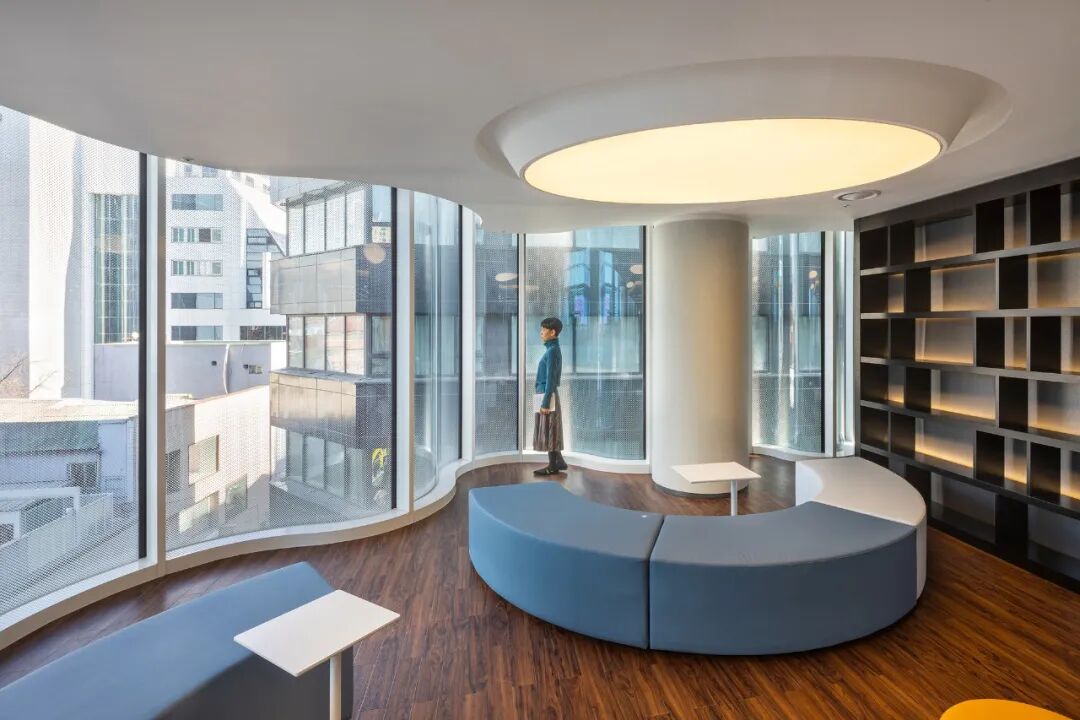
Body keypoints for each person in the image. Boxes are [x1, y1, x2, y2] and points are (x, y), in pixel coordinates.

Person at [533, 317, 567, 476]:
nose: (541, 332)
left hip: (548, 394)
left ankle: (553, 465)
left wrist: (546, 402)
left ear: (552, 332)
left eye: (544, 329)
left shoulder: (552, 351)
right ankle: (558, 462)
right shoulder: (551, 350)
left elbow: (551, 379)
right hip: (546, 393)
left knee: (550, 428)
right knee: (549, 427)